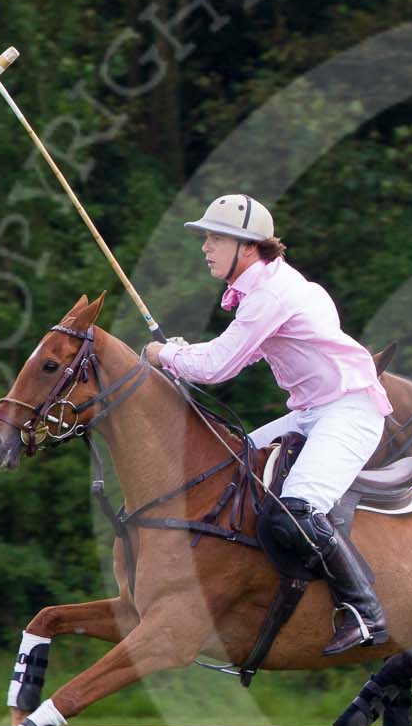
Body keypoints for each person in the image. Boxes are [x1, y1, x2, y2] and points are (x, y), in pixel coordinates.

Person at [143, 193, 394, 655]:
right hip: (311, 411)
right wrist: (180, 357)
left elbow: (219, 365)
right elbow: (240, 352)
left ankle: (366, 612)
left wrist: (165, 354)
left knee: (296, 509)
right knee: (230, 471)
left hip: (349, 411)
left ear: (249, 246)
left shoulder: (272, 294)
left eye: (215, 239)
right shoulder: (271, 287)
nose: (205, 248)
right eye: (207, 239)